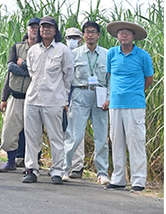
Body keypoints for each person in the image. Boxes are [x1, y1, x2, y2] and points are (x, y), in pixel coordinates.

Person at [21, 16, 74, 185]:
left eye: (49, 27)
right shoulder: (33, 50)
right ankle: (31, 169)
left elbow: (68, 76)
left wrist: (63, 97)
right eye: (42, 27)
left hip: (54, 100)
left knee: (56, 137)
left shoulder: (63, 50)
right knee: (32, 137)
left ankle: (57, 171)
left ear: (55, 30)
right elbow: (31, 72)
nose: (45, 30)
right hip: (32, 99)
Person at [104, 20, 154, 193]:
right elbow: (110, 75)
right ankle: (118, 179)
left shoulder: (142, 56)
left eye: (127, 32)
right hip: (115, 105)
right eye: (120, 32)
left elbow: (149, 79)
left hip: (135, 105)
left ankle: (138, 180)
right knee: (116, 141)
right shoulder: (111, 53)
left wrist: (135, 93)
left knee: (136, 142)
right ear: (117, 36)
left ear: (133, 36)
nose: (123, 34)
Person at [65, 21, 111, 185]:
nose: (90, 35)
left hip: (100, 95)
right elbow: (67, 78)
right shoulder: (74, 54)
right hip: (80, 92)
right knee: (75, 134)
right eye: (87, 32)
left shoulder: (107, 54)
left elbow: (111, 78)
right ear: (82, 35)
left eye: (93, 32)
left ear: (98, 35)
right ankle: (65, 168)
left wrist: (109, 97)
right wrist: (65, 99)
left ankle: (102, 173)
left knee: (101, 136)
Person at [0, 17, 39, 173]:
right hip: (15, 97)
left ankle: (31, 165)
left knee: (32, 134)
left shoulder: (42, 49)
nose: (34, 29)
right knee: (9, 131)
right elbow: (10, 68)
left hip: (33, 97)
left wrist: (22, 64)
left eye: (37, 27)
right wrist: (3, 97)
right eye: (31, 27)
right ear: (27, 29)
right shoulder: (17, 47)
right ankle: (10, 161)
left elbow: (40, 72)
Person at [62, 26, 86, 178]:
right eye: (69, 38)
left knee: (77, 133)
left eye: (75, 38)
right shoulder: (61, 53)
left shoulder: (84, 54)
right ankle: (62, 165)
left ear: (81, 39)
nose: (72, 41)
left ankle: (77, 167)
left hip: (78, 98)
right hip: (62, 99)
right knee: (62, 133)